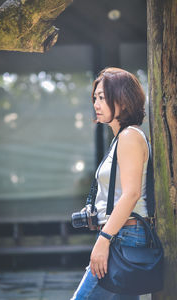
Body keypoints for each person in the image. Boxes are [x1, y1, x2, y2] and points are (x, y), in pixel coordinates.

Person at [70, 67, 150, 300]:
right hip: (122, 233)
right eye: (95, 98)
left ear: (123, 101)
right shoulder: (122, 138)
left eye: (102, 97)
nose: (96, 103)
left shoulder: (129, 137)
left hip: (123, 235)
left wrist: (103, 240)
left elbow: (131, 194)